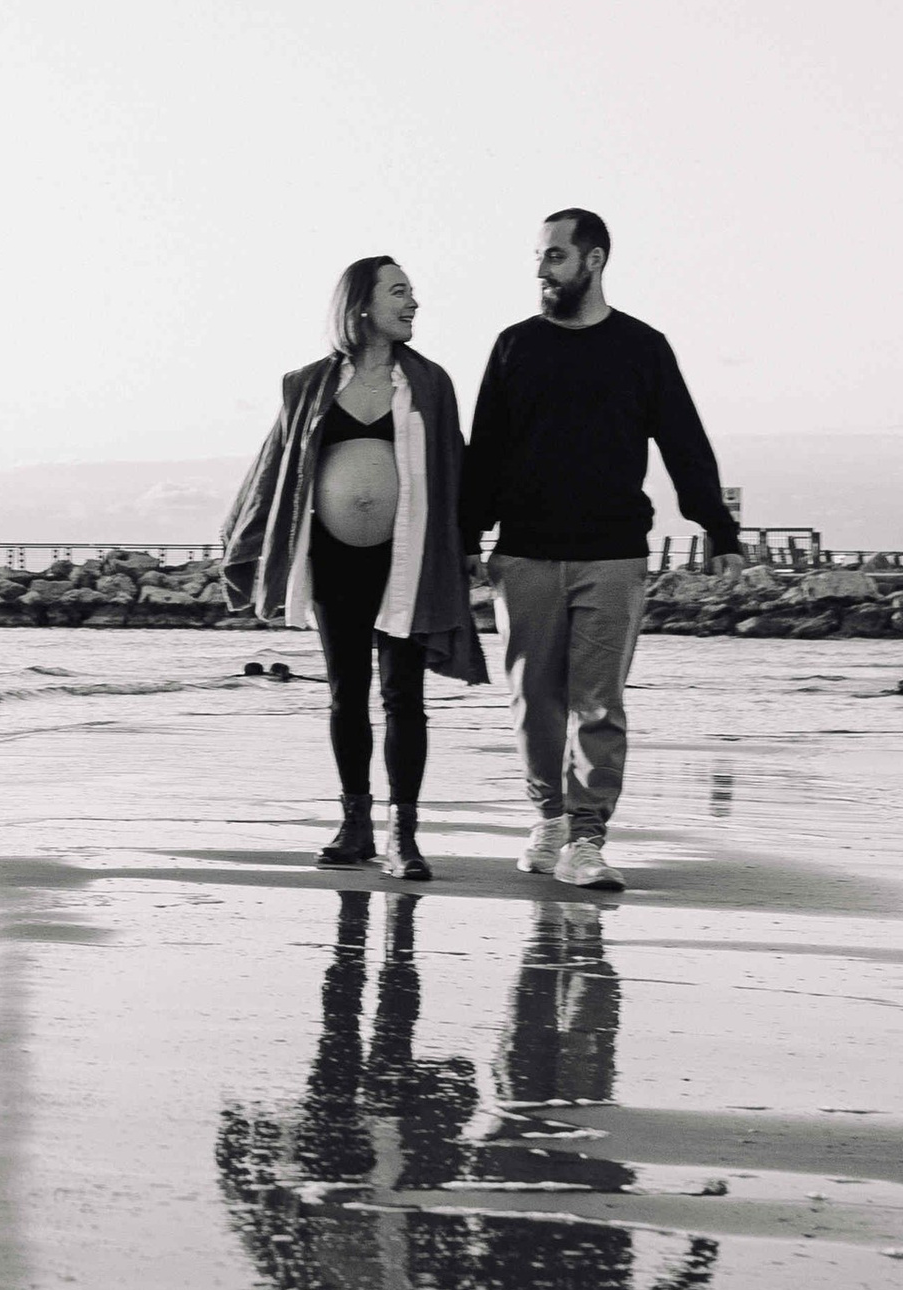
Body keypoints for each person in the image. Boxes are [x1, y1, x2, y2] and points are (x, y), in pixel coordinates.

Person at [461, 208, 740, 893]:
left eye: (554, 256)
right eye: (537, 256)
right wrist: (468, 534)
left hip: (614, 553)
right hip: (524, 553)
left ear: (593, 260)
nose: (540, 270)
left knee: (600, 704)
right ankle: (548, 819)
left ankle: (587, 838)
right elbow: (485, 451)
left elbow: (684, 443)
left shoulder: (643, 348)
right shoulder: (513, 346)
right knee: (534, 701)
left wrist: (719, 531)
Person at [219, 256, 489, 878]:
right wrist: (245, 542)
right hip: (334, 559)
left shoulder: (430, 384)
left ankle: (406, 836)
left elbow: (457, 467)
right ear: (362, 305)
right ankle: (355, 824)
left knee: (404, 697)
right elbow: (275, 471)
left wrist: (469, 544)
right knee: (347, 695)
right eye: (400, 292)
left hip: (408, 557)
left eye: (413, 292)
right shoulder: (309, 385)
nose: (414, 302)